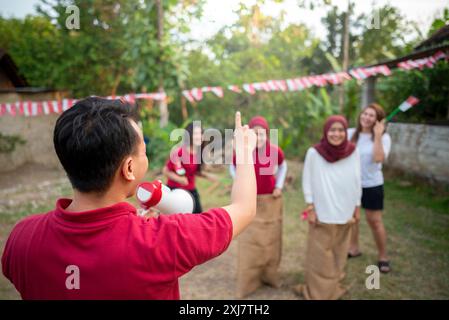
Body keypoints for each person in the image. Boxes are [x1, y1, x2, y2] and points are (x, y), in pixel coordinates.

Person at [1, 97, 257, 300]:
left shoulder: (21, 239)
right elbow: (244, 208)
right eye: (143, 151)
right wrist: (245, 153)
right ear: (129, 168)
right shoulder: (163, 240)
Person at [294, 115, 361, 300]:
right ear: (326, 131)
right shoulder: (314, 153)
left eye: (341, 130)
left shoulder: (353, 151)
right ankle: (316, 292)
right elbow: (307, 180)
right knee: (319, 257)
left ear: (345, 132)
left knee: (339, 254)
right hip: (322, 211)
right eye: (332, 130)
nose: (336, 134)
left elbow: (357, 179)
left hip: (346, 210)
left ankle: (332, 288)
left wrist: (357, 206)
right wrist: (311, 207)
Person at [229, 115, 287, 298]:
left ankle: (269, 273)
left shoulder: (275, 151)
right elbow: (233, 167)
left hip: (269, 198)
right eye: (255, 134)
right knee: (250, 236)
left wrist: (279, 185)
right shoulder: (243, 152)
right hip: (250, 198)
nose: (259, 138)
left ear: (267, 135)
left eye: (262, 135)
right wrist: (240, 182)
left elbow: (283, 167)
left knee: (269, 236)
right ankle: (249, 275)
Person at [347, 103, 392, 273]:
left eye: (372, 115)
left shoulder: (384, 138)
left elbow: (379, 158)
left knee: (374, 221)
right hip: (351, 184)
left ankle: (383, 256)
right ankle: (353, 248)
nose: (366, 117)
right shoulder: (350, 133)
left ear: (377, 120)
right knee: (353, 219)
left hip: (372, 185)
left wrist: (378, 136)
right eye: (365, 113)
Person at [162, 122, 217, 213]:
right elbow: (165, 171)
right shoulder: (179, 152)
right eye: (196, 134)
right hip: (175, 190)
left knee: (198, 216)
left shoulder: (199, 152)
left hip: (191, 190)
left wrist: (208, 176)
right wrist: (179, 179)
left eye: (201, 133)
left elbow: (192, 171)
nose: (199, 136)